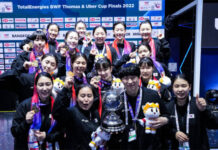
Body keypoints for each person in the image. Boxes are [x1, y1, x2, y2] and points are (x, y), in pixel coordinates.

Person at [107, 63, 169, 150]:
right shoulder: (118, 100)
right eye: (125, 78)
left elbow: (166, 114)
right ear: (121, 80)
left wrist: (164, 120)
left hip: (150, 144)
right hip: (126, 145)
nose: (130, 82)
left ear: (139, 76)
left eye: (133, 78)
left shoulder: (152, 95)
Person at [11, 72, 62, 150]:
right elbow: (15, 132)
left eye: (48, 84)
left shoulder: (57, 106)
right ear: (36, 86)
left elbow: (62, 133)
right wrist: (26, 122)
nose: (44, 88)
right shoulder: (25, 105)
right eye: (41, 85)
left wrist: (46, 136)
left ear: (52, 85)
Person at [166, 74, 218, 150]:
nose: (180, 89)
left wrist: (204, 110)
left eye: (184, 86)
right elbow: (165, 130)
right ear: (172, 88)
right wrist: (174, 133)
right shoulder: (168, 107)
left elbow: (214, 125)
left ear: (189, 87)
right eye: (176, 86)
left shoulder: (198, 104)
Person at [52, 84, 100, 149]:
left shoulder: (95, 112)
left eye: (89, 96)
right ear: (77, 98)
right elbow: (57, 113)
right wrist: (65, 88)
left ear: (93, 98)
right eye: (82, 96)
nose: (86, 99)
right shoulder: (71, 112)